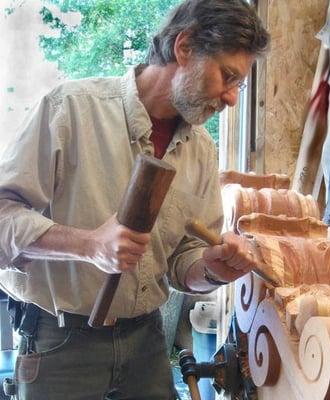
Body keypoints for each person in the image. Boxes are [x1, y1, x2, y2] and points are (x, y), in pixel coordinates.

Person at [0, 0, 270, 399]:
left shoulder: (200, 150)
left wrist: (213, 269)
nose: (231, 98)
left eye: (239, 85)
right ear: (184, 47)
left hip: (146, 340)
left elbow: (184, 262)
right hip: (60, 343)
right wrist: (89, 245)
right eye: (226, 76)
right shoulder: (70, 110)